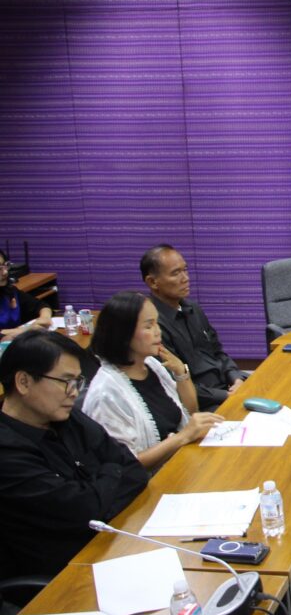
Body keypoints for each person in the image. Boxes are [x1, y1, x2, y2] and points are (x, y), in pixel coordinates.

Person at [0, 329, 148, 581]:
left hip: (114, 542)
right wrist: (111, 472)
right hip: (66, 577)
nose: (74, 392)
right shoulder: (7, 452)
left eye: (77, 382)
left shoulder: (66, 417)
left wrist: (97, 495)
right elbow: (84, 511)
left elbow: (134, 470)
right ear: (23, 382)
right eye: (65, 381)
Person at [83, 291, 222, 471]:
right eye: (149, 326)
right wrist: (182, 437)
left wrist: (181, 372)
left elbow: (190, 412)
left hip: (181, 462)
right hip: (149, 480)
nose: (158, 332)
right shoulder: (106, 394)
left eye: (157, 323)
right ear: (123, 334)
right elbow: (124, 466)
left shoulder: (151, 365)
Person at [141, 245, 244, 411]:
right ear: (153, 282)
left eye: (185, 270)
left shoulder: (193, 309)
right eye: (176, 273)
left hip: (227, 387)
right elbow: (173, 382)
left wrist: (236, 378)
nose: (185, 278)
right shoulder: (153, 326)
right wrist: (226, 395)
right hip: (202, 404)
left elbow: (218, 352)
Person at [0, 249, 53, 341]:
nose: (5, 272)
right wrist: (26, 330)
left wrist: (45, 317)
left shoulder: (9, 290)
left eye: (5, 265)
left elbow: (40, 305)